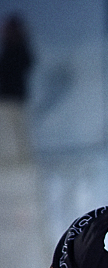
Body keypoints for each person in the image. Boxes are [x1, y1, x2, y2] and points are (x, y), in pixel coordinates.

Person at [0, 13, 34, 162]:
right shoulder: (11, 47)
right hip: (8, 96)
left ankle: (22, 157)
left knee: (17, 128)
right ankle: (15, 157)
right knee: (10, 129)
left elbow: (26, 64)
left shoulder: (18, 48)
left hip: (14, 96)